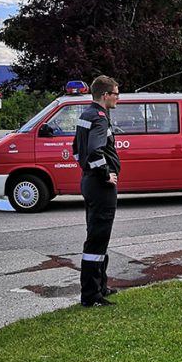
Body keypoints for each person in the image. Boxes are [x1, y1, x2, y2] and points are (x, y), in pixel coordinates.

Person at [73, 75, 121, 307]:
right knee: (97, 239)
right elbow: (94, 150)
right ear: (105, 95)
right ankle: (92, 295)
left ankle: (100, 285)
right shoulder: (100, 118)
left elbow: (76, 151)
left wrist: (88, 169)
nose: (117, 98)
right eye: (116, 94)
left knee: (97, 236)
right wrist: (105, 174)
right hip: (100, 186)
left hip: (88, 182)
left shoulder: (86, 114)